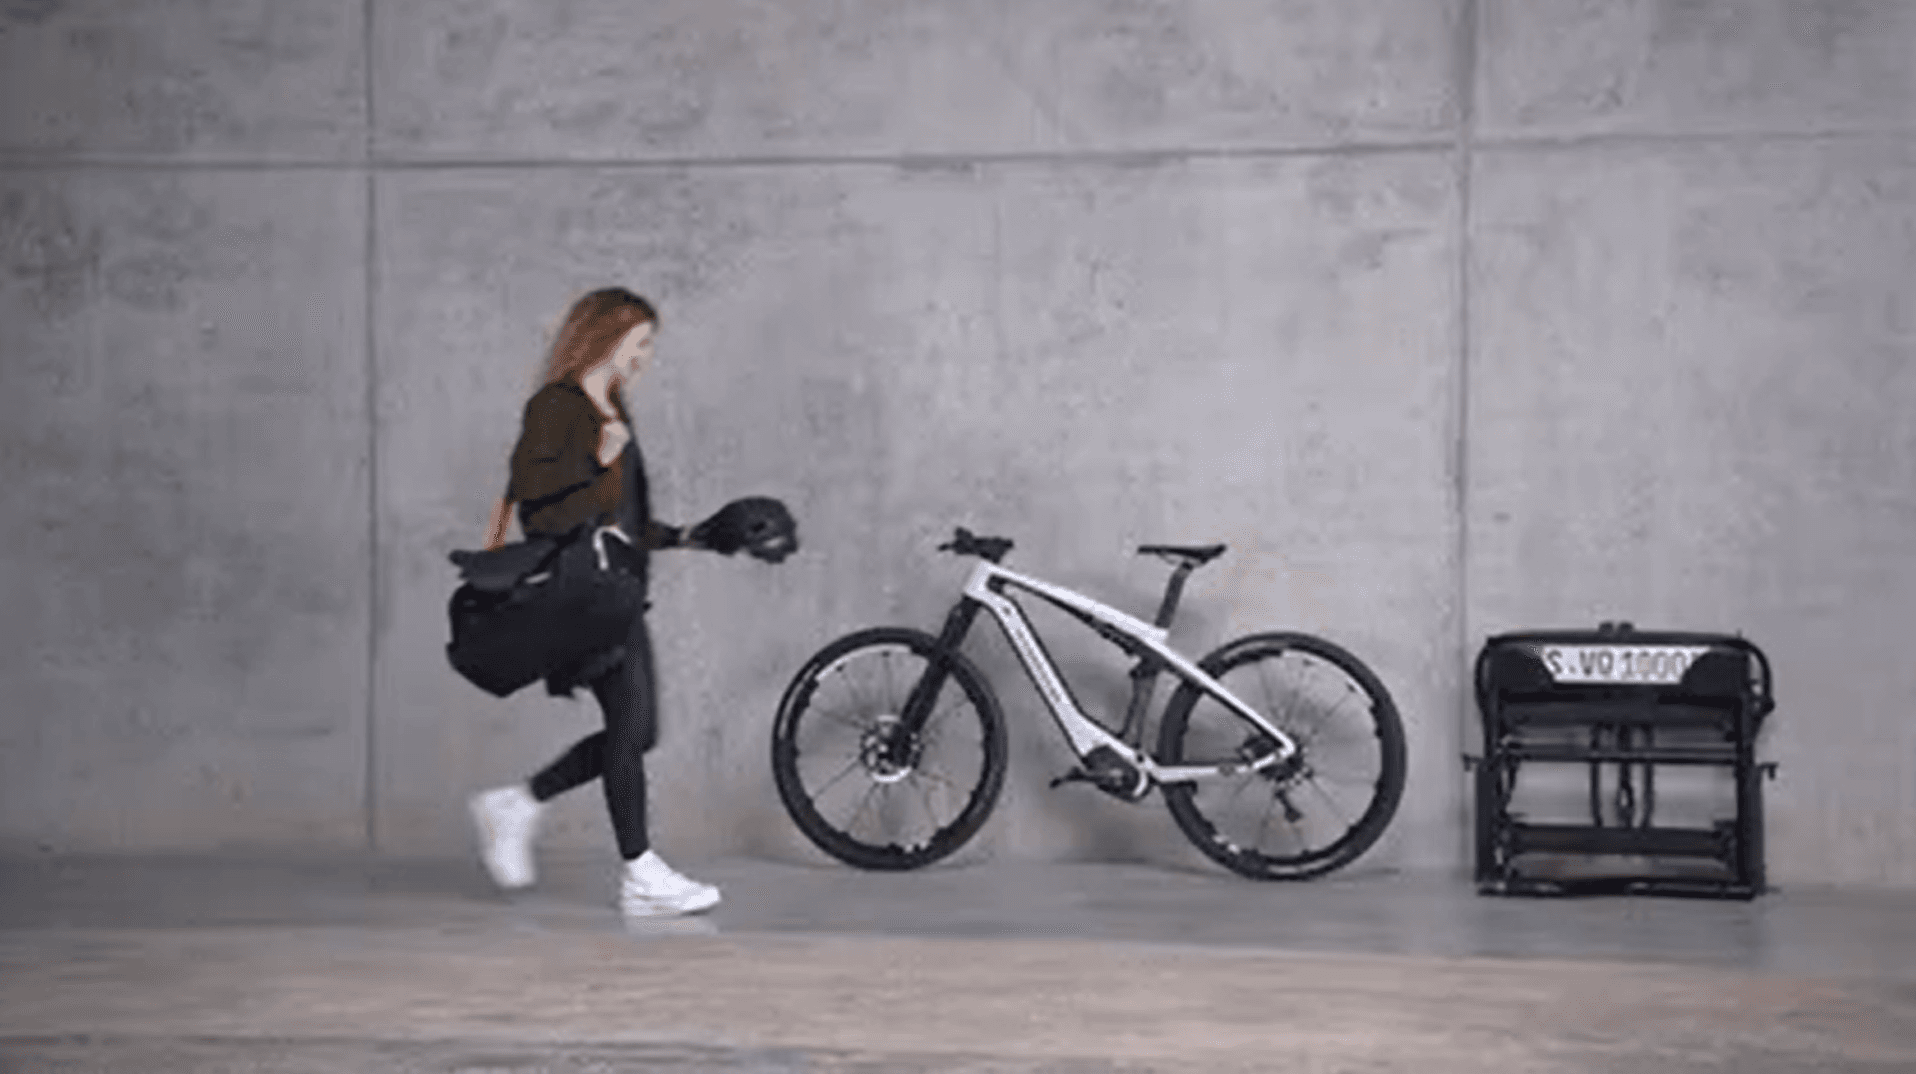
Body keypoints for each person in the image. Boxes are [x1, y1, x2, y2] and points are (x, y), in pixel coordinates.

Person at [466, 287, 720, 918]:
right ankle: (640, 872)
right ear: (608, 337)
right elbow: (540, 510)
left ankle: (517, 804)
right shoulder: (556, 408)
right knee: (631, 732)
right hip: (581, 597)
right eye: (641, 343)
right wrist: (595, 465)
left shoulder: (616, 408)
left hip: (618, 592)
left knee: (638, 731)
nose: (646, 357)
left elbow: (626, 521)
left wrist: (697, 536)